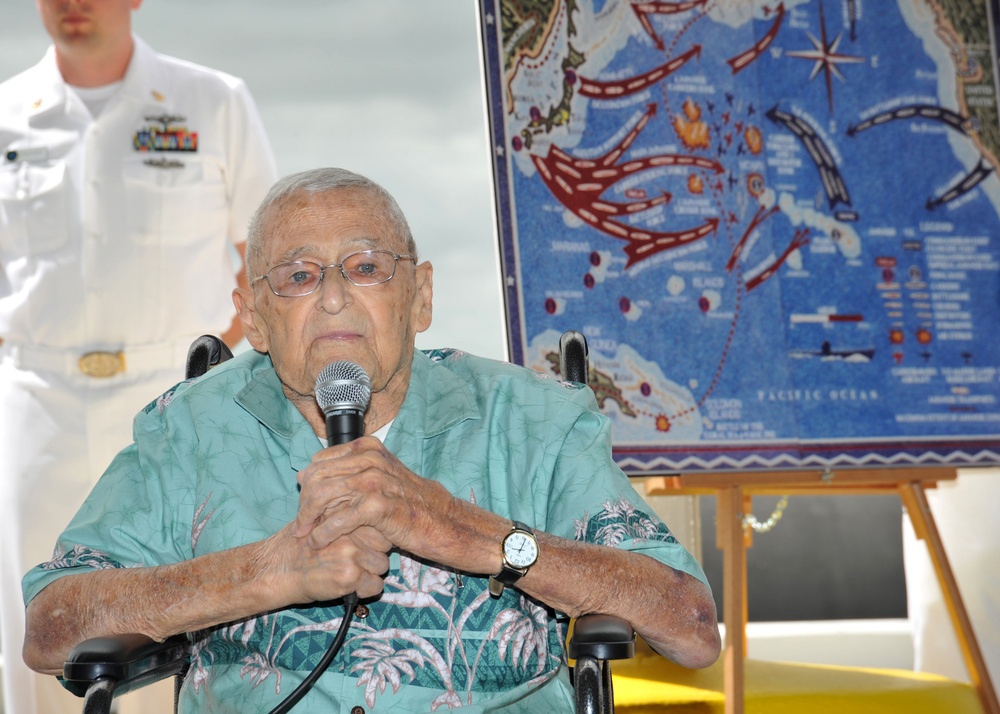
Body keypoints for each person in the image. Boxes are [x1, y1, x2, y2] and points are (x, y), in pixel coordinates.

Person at [20, 167, 721, 712]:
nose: (331, 297)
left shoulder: (534, 420)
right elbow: (52, 631)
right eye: (297, 276)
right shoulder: (189, 428)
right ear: (253, 321)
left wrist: (468, 534)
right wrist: (271, 569)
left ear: (419, 298)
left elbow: (689, 626)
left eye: (364, 268)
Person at [0, 1, 277, 711]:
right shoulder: (6, 115)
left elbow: (266, 259)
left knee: (174, 616)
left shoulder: (212, 103)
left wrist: (215, 372)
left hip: (172, 396)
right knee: (38, 634)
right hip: (36, 400)